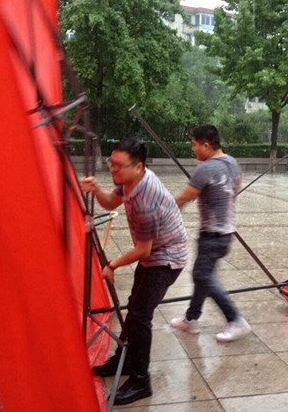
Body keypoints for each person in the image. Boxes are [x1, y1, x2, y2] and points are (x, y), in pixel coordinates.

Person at [80, 138, 188, 406]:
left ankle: (141, 380)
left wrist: (112, 264)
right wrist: (96, 188)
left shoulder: (145, 200)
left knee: (140, 315)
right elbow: (110, 203)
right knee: (135, 306)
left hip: (167, 257)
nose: (112, 169)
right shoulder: (130, 180)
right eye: (111, 163)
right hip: (155, 252)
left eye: (118, 166)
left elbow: (143, 250)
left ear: (138, 167)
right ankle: (125, 359)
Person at [170, 124, 251, 342]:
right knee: (203, 277)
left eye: (194, 144)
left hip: (212, 235)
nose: (193, 149)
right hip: (226, 233)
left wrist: (161, 216)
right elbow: (236, 188)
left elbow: (184, 198)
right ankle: (191, 319)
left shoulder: (205, 169)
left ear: (206, 145)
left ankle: (235, 319)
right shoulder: (232, 163)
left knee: (201, 275)